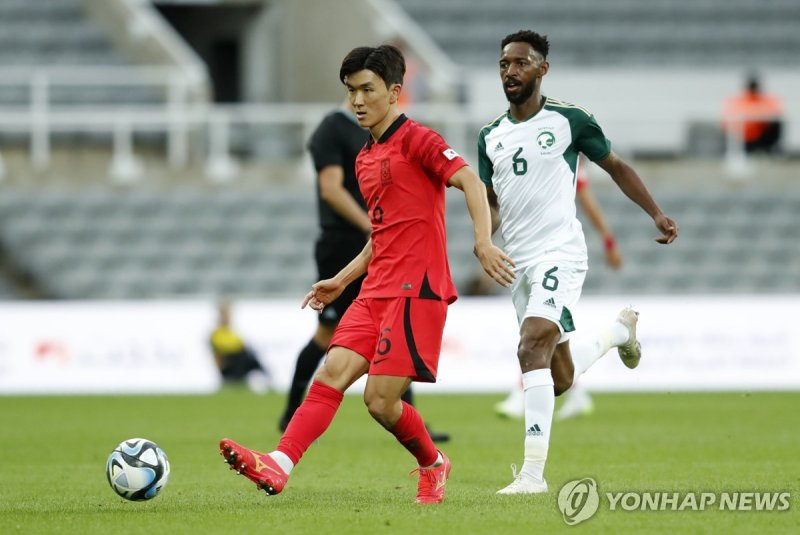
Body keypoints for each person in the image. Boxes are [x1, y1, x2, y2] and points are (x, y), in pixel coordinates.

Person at [219, 44, 514, 504]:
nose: (357, 100)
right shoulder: (363, 156)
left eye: (367, 89)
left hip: (418, 289)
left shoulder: (419, 139)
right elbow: (381, 235)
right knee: (330, 374)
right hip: (374, 288)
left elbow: (471, 181)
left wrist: (482, 242)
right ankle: (278, 465)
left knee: (379, 401)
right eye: (351, 91)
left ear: (394, 92)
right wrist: (342, 278)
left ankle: (433, 464)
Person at [478, 30, 677, 494]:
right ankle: (618, 333)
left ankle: (531, 476)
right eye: (504, 64)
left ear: (542, 69)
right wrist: (484, 240)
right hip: (518, 263)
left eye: (521, 63)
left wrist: (656, 212)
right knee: (558, 376)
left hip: (560, 253)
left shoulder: (570, 120)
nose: (510, 71)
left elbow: (617, 167)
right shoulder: (490, 136)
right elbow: (490, 201)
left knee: (530, 347)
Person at [278, 98, 450, 442]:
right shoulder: (333, 127)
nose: (361, 98)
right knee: (327, 335)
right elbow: (330, 189)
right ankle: (291, 413)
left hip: (378, 251)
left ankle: (405, 417)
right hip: (341, 244)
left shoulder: (380, 137)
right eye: (357, 88)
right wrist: (372, 228)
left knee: (392, 327)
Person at [493, 156, 622, 421]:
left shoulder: (562, 157)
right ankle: (578, 391)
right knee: (544, 340)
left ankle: (520, 395)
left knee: (536, 333)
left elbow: (585, 199)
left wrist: (608, 241)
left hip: (556, 254)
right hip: (528, 253)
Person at [209, 299, 270, 393]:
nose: (227, 318)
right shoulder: (216, 333)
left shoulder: (232, 332)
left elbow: (241, 344)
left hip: (241, 359)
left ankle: (268, 383)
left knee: (251, 358)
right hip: (230, 362)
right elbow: (220, 351)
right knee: (240, 357)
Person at [722, 74, 783, 154]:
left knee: (777, 123)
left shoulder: (765, 100)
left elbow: (775, 115)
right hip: (744, 137)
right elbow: (728, 121)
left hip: (760, 135)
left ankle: (769, 150)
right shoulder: (739, 101)